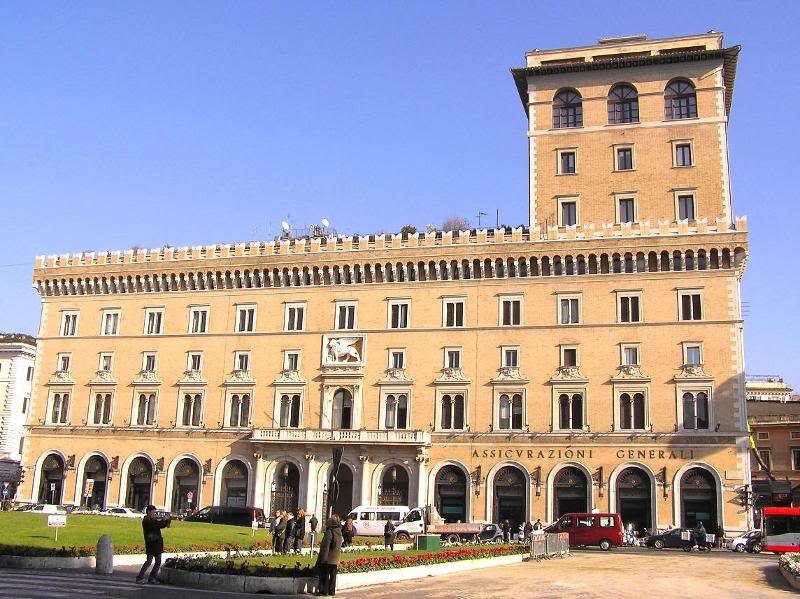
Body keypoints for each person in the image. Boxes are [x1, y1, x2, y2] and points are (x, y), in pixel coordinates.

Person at [136, 505, 170, 584]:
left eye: (155, 512)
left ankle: (152, 578)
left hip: (157, 542)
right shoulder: (146, 520)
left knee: (158, 561)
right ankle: (139, 577)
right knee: (149, 561)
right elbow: (155, 526)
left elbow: (161, 525)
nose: (155, 514)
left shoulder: (153, 520)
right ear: (148, 512)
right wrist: (163, 519)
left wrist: (167, 520)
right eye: (153, 512)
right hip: (151, 542)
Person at [316, 515, 343, 597]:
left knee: (325, 574)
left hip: (328, 557)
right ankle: (332, 590)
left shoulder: (329, 532)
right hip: (335, 557)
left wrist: (323, 558)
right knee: (333, 575)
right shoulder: (339, 531)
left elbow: (325, 546)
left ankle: (324, 591)